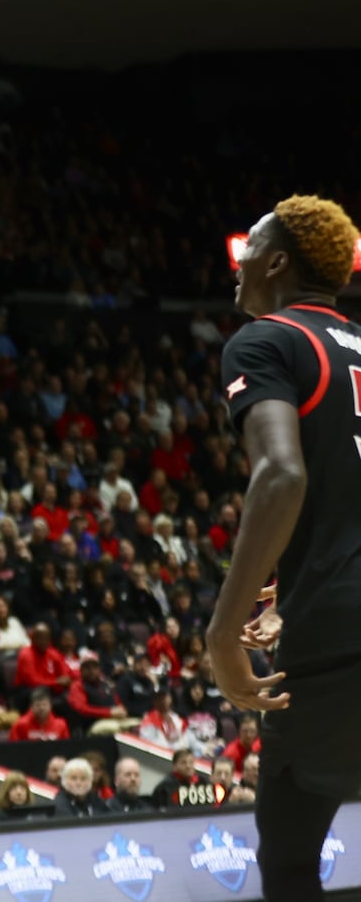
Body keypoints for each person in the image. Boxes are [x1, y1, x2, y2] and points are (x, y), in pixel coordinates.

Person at [205, 195, 361, 901]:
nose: (237, 264)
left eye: (250, 250)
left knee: (292, 864)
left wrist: (221, 632)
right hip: (327, 612)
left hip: (336, 649)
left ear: (276, 262)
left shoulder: (267, 340)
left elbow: (281, 472)